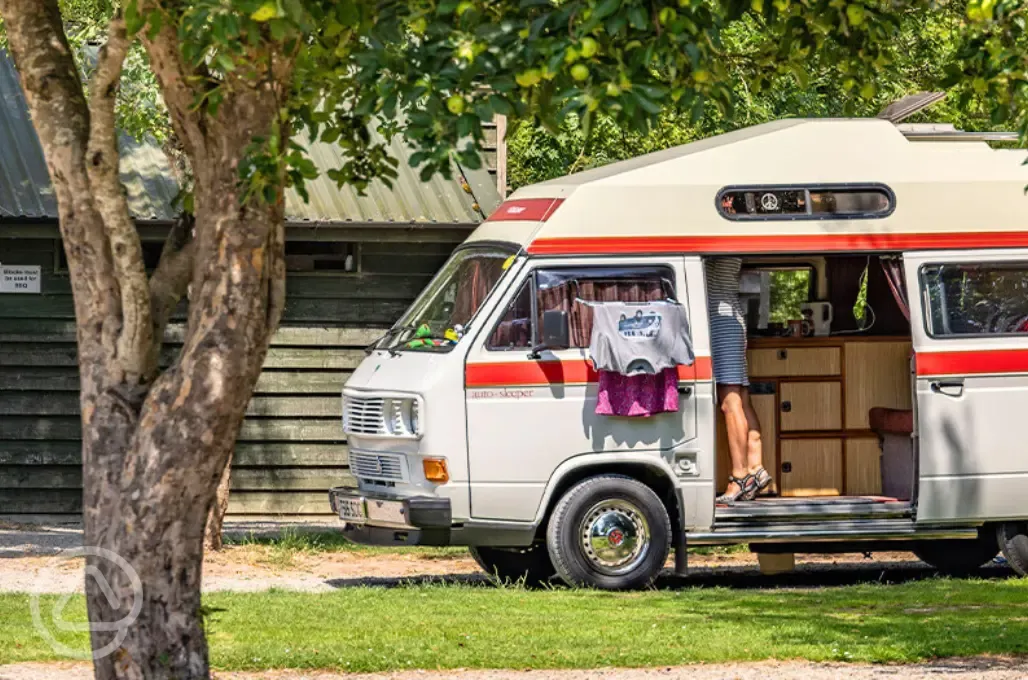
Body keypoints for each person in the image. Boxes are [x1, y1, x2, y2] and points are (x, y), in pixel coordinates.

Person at [706, 257, 772, 503]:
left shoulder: (716, 235)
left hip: (720, 320)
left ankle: (740, 476)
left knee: (729, 402)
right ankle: (755, 467)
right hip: (730, 319)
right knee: (741, 398)